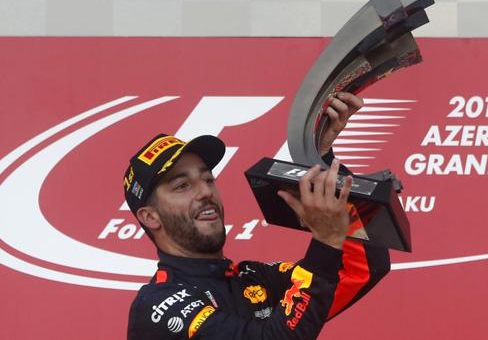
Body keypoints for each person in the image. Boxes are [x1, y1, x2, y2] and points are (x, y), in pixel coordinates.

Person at [125, 93, 390, 339]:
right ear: (150, 217)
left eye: (208, 179)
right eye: (183, 186)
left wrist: (319, 161)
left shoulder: (253, 278)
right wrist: (325, 240)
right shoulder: (158, 305)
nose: (205, 191)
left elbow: (361, 269)